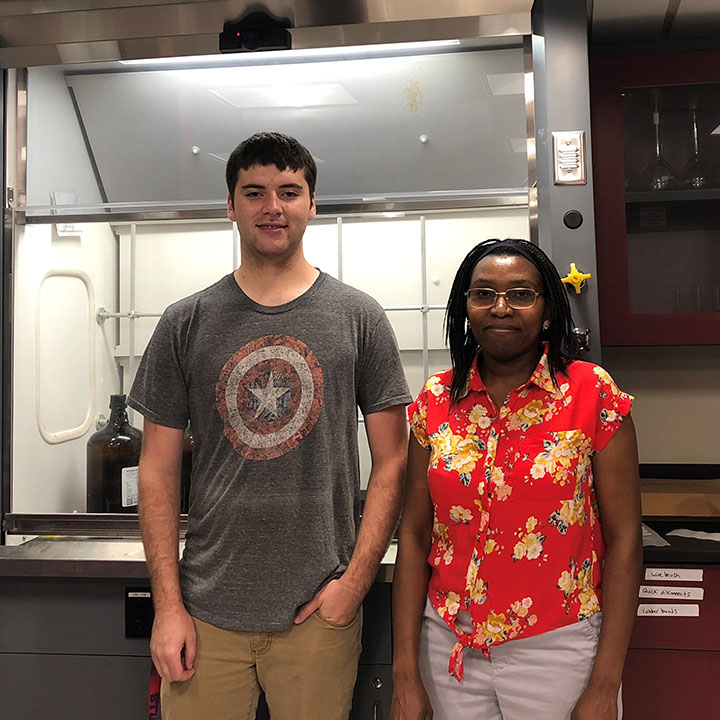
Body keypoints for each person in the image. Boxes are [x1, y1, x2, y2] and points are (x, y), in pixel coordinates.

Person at [128, 131, 411, 720]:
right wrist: (168, 607)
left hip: (319, 614)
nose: (271, 206)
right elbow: (156, 472)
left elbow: (394, 461)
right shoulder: (186, 322)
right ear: (231, 206)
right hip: (205, 614)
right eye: (253, 192)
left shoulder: (360, 317)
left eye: (289, 191)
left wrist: (354, 585)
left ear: (312, 204)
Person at [390, 238, 642, 720]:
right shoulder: (435, 400)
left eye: (521, 294)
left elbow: (625, 539)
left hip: (558, 646)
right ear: (465, 308)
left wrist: (606, 683)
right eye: (483, 294)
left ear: (547, 309)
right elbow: (415, 533)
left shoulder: (592, 393)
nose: (500, 307)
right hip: (448, 645)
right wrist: (405, 673)